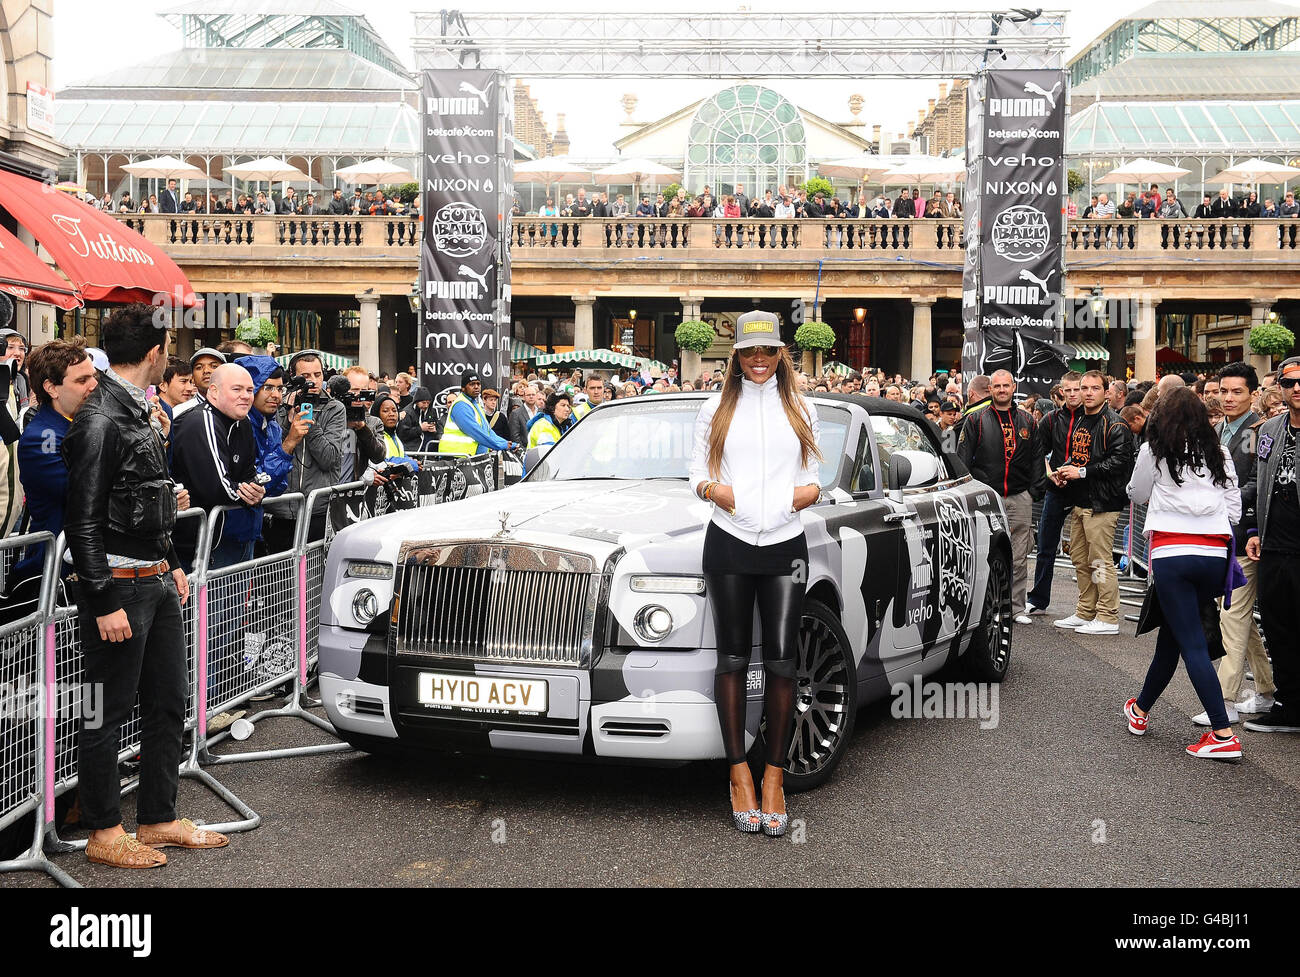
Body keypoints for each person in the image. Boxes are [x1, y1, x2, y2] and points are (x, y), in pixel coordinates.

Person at [63, 303, 227, 869]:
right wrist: (103, 598)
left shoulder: (131, 409)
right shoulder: (101, 418)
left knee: (168, 703)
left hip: (152, 578)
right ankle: (104, 832)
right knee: (104, 712)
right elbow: (80, 520)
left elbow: (145, 497)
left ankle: (157, 818)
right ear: (156, 354)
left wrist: (171, 560)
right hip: (119, 586)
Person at [687, 311, 822, 837]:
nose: (759, 360)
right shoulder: (715, 407)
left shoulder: (801, 407)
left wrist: (801, 497)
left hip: (786, 544)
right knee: (733, 659)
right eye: (749, 352)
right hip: (729, 541)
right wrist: (715, 493)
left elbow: (814, 477)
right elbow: (696, 471)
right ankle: (738, 773)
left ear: (781, 352)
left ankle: (774, 777)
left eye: (767, 351)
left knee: (785, 663)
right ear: (736, 356)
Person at [1123, 386, 1242, 757]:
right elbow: (1234, 511)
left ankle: (1223, 735)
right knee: (1175, 636)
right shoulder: (1220, 453)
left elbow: (1137, 493)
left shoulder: (1153, 451)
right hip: (1213, 555)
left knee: (1190, 642)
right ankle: (1140, 709)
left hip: (1172, 553)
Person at [1240, 356, 1300, 733]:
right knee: (1278, 629)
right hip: (1275, 546)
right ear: (1279, 386)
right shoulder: (1269, 429)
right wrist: (1252, 529)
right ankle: (1288, 706)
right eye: (1289, 381)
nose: (1297, 388)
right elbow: (1259, 483)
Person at [12, 338, 101, 581]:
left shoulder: (88, 423)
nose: (94, 385)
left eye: (94, 376)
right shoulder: (43, 436)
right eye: (82, 380)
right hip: (58, 574)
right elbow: (84, 494)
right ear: (51, 388)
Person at [1052, 371, 1134, 635]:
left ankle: (1108, 616)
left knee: (1099, 561)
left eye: (1094, 388)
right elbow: (1080, 457)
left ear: (1106, 392)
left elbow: (1120, 462)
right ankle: (1086, 610)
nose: (1088, 393)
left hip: (1103, 504)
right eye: (1083, 388)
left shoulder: (1115, 424)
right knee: (1079, 558)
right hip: (1080, 501)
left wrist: (1081, 472)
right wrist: (1065, 470)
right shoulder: (1081, 421)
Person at [957, 370, 1042, 625]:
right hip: (985, 498)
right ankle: (980, 607)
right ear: (991, 389)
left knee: (1018, 555)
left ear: (1014, 387)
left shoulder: (1028, 420)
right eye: (997, 386)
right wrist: (969, 493)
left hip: (1019, 497)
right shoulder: (976, 420)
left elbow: (1037, 458)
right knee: (982, 552)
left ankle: (1016, 608)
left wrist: (1034, 491)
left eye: (1006, 385)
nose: (1002, 390)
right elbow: (962, 458)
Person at [170, 363, 266, 571]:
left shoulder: (244, 422)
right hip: (198, 546)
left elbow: (250, 476)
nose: (246, 396)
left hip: (230, 537)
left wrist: (257, 492)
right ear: (213, 392)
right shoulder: (201, 420)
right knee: (206, 604)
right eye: (237, 389)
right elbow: (216, 487)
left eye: (249, 390)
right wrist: (248, 495)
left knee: (235, 603)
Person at [269, 350, 345, 550]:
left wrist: (309, 422)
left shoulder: (335, 408)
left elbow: (330, 458)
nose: (312, 382)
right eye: (305, 377)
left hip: (317, 510)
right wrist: (287, 418)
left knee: (312, 576)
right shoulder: (278, 404)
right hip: (281, 509)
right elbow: (272, 451)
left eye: (317, 375)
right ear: (293, 378)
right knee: (279, 576)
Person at [1027, 372, 1084, 615]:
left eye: (1076, 390)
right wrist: (1051, 474)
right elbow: (1037, 451)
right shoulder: (1051, 419)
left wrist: (1079, 472)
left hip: (1086, 488)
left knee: (1087, 551)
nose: (1072, 394)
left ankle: (1088, 607)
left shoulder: (1095, 418)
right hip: (1056, 488)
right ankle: (1038, 599)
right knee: (1046, 545)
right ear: (1061, 391)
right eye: (1067, 390)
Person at [438, 373, 519, 455]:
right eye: (472, 384)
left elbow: (488, 432)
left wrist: (509, 444)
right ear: (463, 388)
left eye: (478, 384)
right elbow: (476, 432)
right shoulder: (460, 405)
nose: (476, 387)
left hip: (469, 458)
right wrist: (501, 445)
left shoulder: (475, 405)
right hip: (455, 457)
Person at [171, 347, 226, 418]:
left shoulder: (238, 407)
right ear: (192, 378)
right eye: (199, 367)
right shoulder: (180, 413)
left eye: (214, 366)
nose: (206, 371)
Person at [526, 391, 573, 455]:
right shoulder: (543, 425)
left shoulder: (562, 426)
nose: (567, 409)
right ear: (552, 408)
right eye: (563, 405)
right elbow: (551, 454)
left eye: (568, 406)